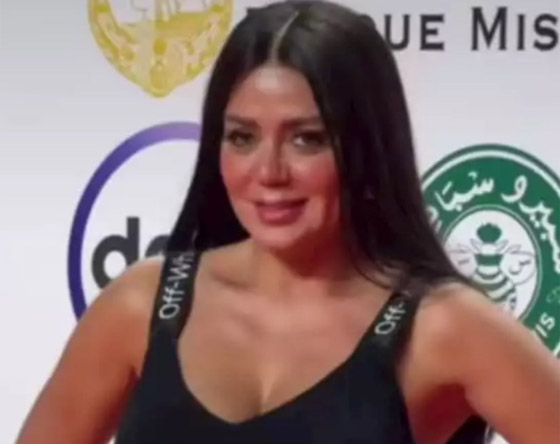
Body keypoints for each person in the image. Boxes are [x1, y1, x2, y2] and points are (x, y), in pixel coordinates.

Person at [16, 1, 560, 443]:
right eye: (242, 137)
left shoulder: (444, 327)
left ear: (367, 146)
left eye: (307, 139)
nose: (269, 172)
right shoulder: (139, 306)